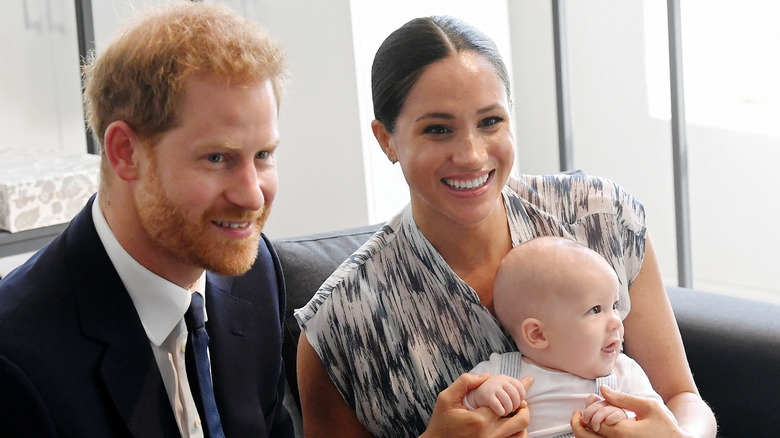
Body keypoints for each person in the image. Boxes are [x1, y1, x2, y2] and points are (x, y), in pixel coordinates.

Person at [295, 14, 716, 438]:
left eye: (490, 121)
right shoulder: (340, 325)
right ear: (386, 139)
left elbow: (682, 396)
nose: (473, 155)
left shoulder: (600, 218)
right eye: (438, 129)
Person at [0, 2, 294, 437]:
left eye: (263, 155)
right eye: (217, 158)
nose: (252, 196)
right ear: (125, 152)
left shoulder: (255, 274)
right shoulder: (16, 359)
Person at [463, 236, 675, 437]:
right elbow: (456, 419)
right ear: (537, 334)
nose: (617, 322)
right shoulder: (499, 374)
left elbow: (664, 424)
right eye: (595, 310)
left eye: (615, 306)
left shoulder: (625, 373)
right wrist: (478, 398)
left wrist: (626, 418)